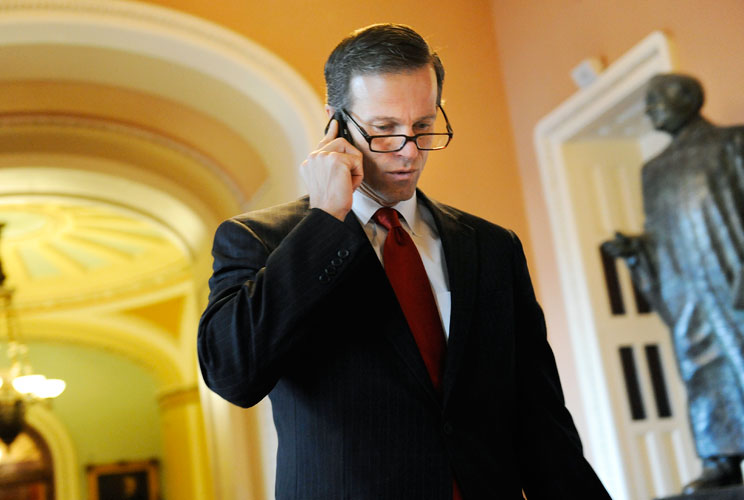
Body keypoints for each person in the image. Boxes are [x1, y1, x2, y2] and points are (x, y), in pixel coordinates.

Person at [198, 23, 611, 499]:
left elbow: (541, 421)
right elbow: (233, 375)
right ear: (335, 123)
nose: (410, 152)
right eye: (384, 129)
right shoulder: (259, 240)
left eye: (422, 127)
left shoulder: (493, 248)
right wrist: (325, 222)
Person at [603, 73, 744, 493]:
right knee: (701, 366)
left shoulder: (731, 143)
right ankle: (720, 456)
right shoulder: (654, 171)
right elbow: (659, 236)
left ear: (686, 98)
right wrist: (637, 251)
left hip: (731, 274)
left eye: (654, 100)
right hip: (687, 289)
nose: (648, 110)